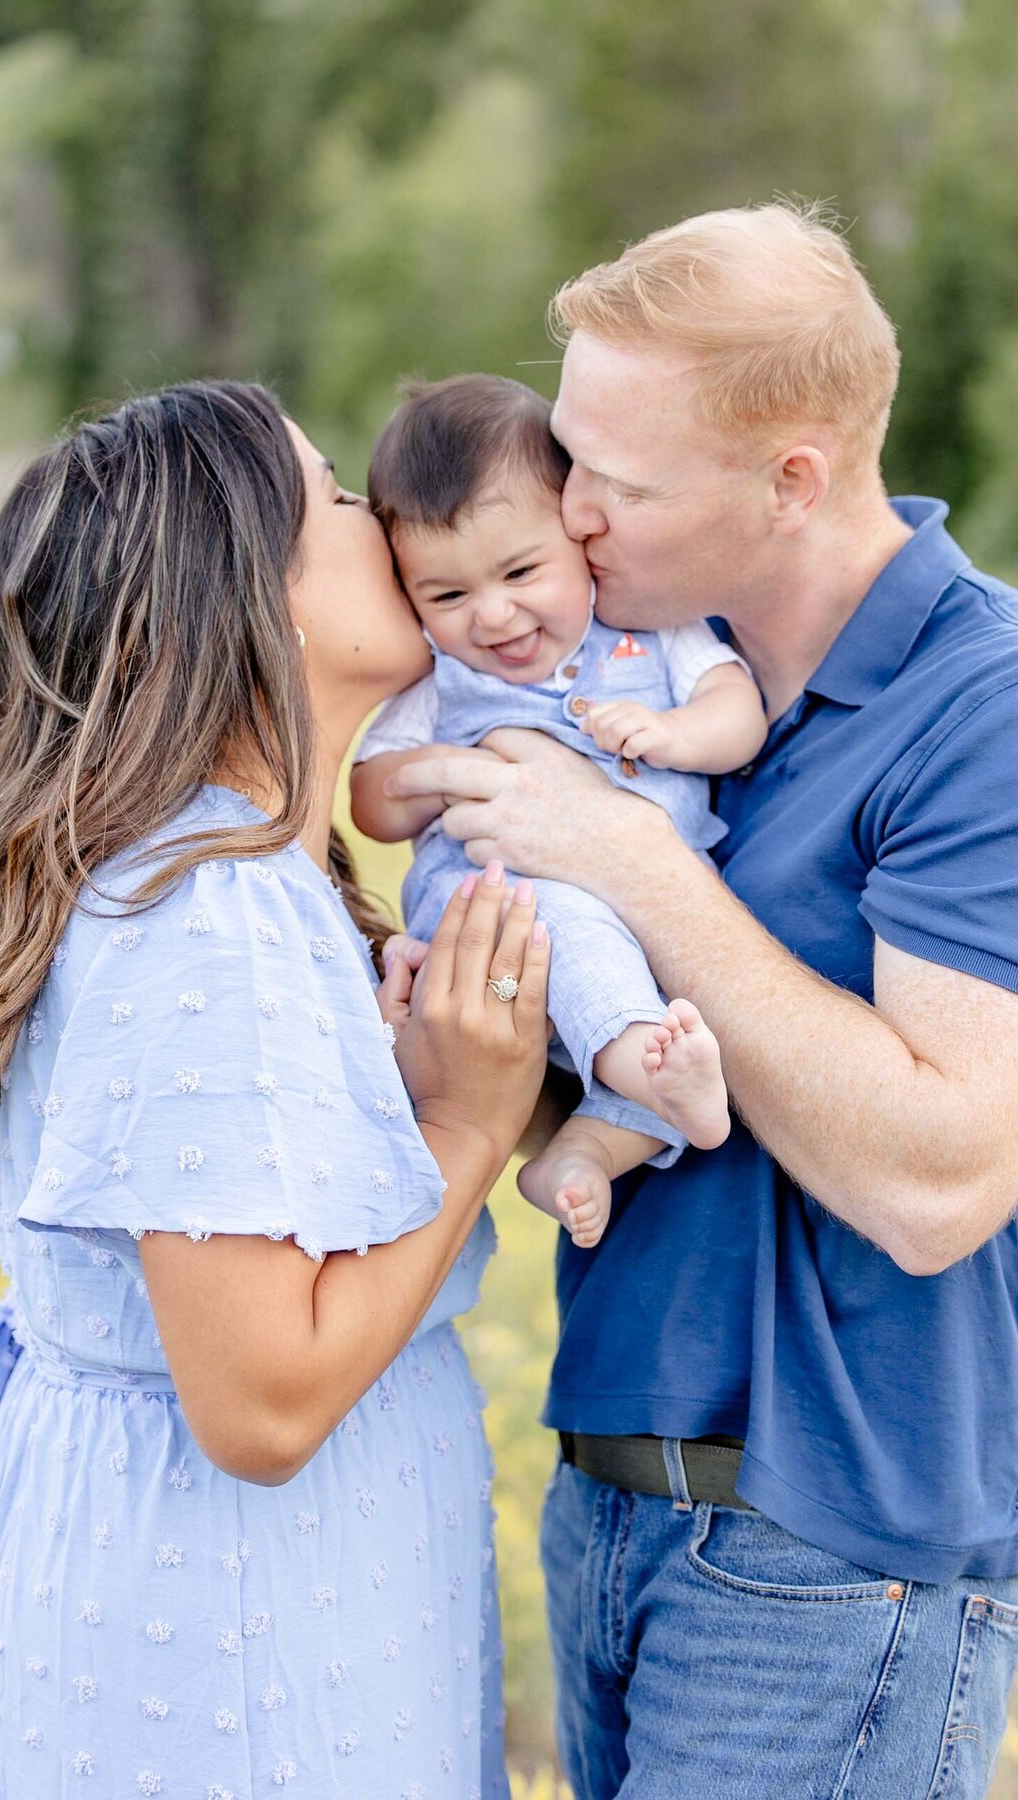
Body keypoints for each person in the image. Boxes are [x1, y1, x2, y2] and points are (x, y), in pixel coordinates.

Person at [382, 203, 1018, 1797]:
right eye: (568, 456)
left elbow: (942, 1177)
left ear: (791, 477)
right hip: (608, 1489)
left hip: (827, 1547)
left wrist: (633, 864)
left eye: (618, 479)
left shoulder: (983, 703)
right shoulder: (637, 669)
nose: (570, 512)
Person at [0, 379, 550, 1799]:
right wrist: (470, 1121)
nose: (375, 521)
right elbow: (262, 1406)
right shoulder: (213, 905)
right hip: (234, 1651)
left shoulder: (242, 877)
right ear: (248, 596)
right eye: (331, 497)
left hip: (235, 1616)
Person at [351, 374, 765, 1249]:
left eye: (520, 571)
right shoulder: (443, 677)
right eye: (448, 596)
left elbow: (739, 718)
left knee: (689, 1022)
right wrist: (439, 770)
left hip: (659, 919)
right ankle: (647, 1075)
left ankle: (577, 1156)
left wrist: (673, 731)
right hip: (510, 926)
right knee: (575, 938)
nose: (493, 615)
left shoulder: (645, 633)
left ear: (580, 540)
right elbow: (372, 804)